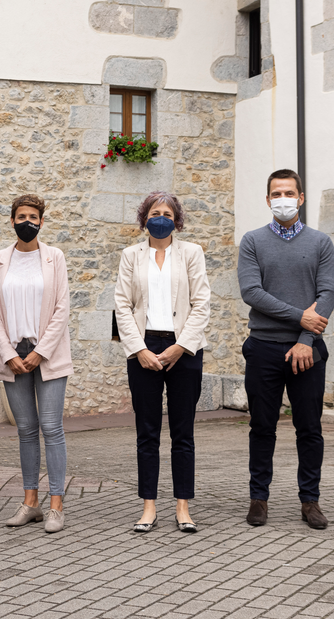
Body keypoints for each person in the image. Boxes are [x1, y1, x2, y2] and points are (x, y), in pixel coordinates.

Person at [238, 169, 334, 530]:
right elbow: (252, 292)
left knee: (309, 428)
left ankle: (310, 501)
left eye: (289, 193)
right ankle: (258, 498)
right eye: (276, 193)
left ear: (301, 198)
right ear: (268, 200)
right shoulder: (252, 241)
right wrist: (301, 318)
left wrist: (305, 339)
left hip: (308, 350)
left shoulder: (320, 243)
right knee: (262, 427)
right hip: (263, 347)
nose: (283, 199)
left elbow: (328, 294)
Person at [114, 192, 211, 533]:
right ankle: (149, 506)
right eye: (155, 212)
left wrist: (181, 347)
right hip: (144, 347)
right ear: (145, 217)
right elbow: (122, 306)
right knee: (147, 432)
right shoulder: (130, 255)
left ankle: (183, 507)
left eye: (167, 212)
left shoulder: (191, 253)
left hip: (184, 350)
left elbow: (202, 304)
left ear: (176, 219)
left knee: (183, 433)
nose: (161, 217)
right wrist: (139, 349)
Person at [0, 194, 72, 534]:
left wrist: (42, 351)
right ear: (12, 221)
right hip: (13, 356)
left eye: (33, 216)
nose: (27, 221)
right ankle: (30, 503)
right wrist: (9, 353)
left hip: (46, 354)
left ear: (41, 221)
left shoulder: (55, 258)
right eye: (21, 216)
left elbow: (62, 309)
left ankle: (56, 505)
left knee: (51, 428)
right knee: (25, 431)